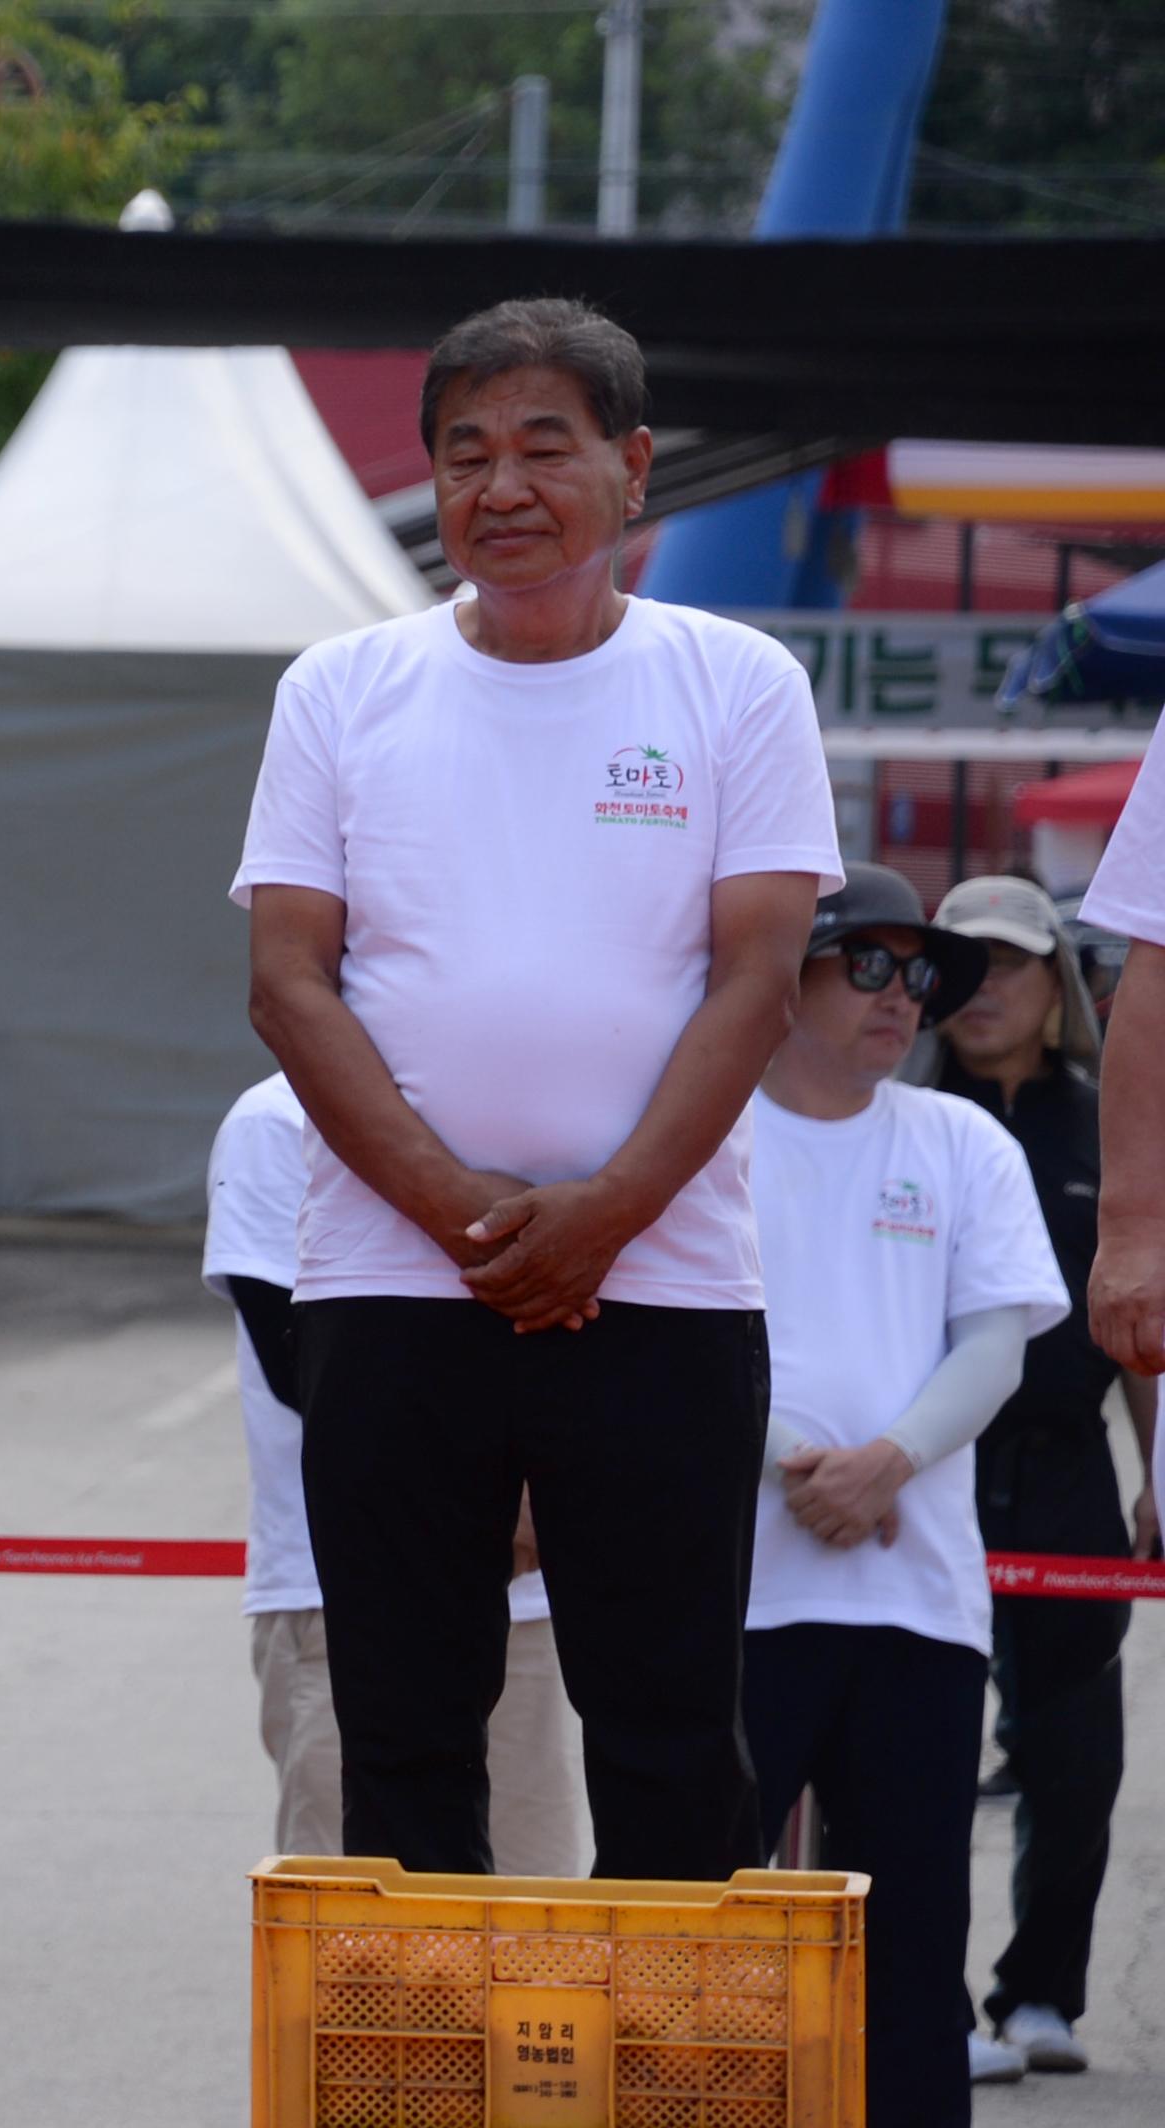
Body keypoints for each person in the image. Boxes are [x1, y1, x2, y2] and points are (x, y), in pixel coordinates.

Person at [233, 298, 840, 1881]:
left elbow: (758, 978)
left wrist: (605, 1217)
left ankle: (676, 2087)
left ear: (633, 469)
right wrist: (472, 1219)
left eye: (543, 448)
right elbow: (290, 979)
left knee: (669, 1736)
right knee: (410, 1740)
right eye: (466, 454)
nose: (501, 487)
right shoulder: (341, 689)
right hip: (390, 1285)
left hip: (666, 1289)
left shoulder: (739, 684)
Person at [741, 864, 1059, 2125]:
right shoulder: (702, 1137)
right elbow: (671, 1341)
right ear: (787, 976)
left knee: (911, 1942)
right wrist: (791, 1465)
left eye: (916, 972)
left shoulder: (958, 1140)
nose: (899, 994)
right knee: (692, 1915)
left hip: (915, 1601)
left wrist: (886, 1461)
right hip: (734, 1595)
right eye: (865, 962)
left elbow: (994, 1342)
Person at [203, 1073, 587, 1873]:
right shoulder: (280, 1116)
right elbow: (299, 1363)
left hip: (522, 1604)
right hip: (346, 1595)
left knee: (537, 1945)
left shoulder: (523, 1114)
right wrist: (505, 1488)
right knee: (363, 1954)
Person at [927, 873, 1156, 2077]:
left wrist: (1153, 1469)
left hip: (1064, 1474)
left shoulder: (1101, 1125)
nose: (981, 988)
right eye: (956, 964)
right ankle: (925, 2000)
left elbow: (1140, 1316)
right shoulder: (899, 1117)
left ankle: (1038, 1996)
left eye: (1005, 962)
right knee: (908, 1750)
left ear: (1052, 978)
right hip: (917, 1480)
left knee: (1071, 1753)